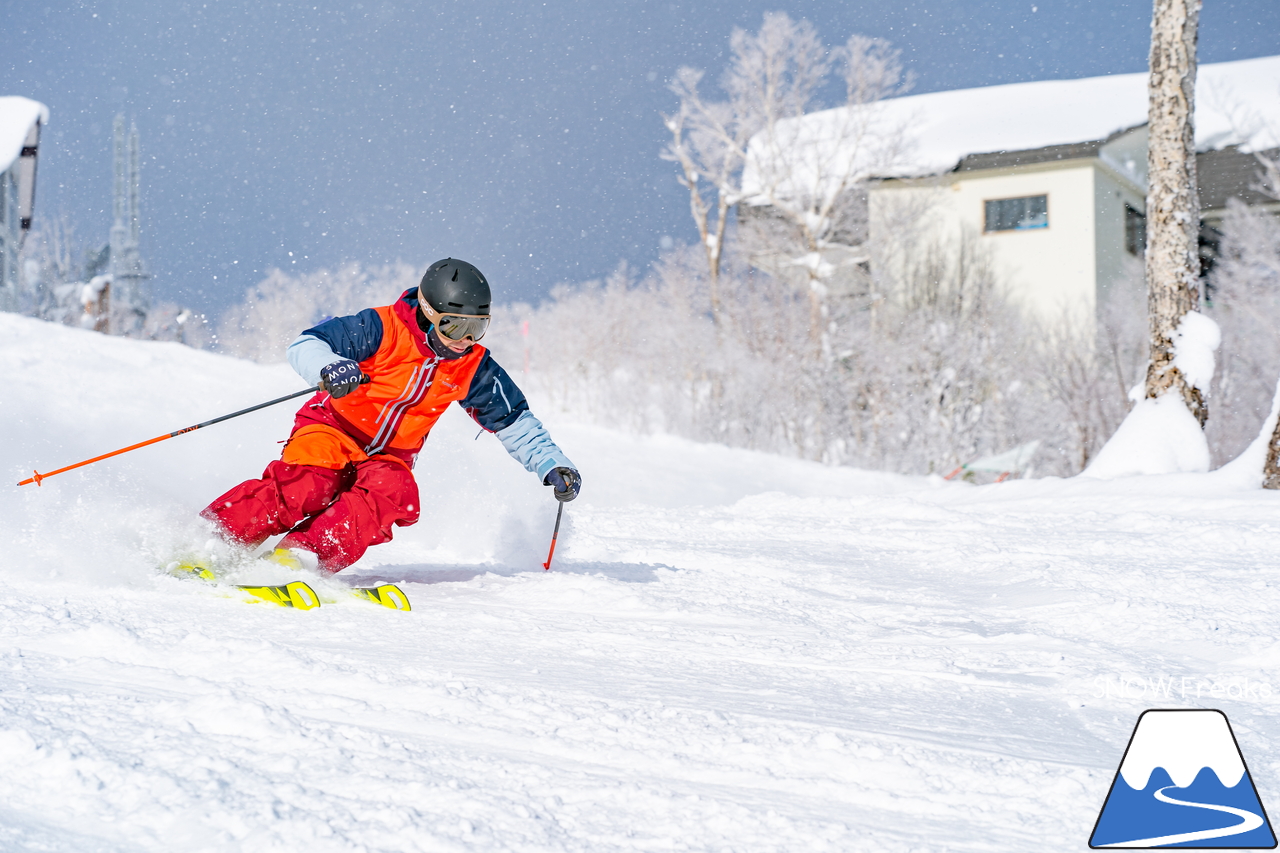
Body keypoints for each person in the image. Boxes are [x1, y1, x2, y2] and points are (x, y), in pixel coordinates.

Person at [197, 258, 580, 574]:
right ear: (430, 314)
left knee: (394, 491)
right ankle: (214, 538)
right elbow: (307, 344)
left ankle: (303, 556)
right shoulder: (381, 328)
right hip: (332, 430)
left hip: (390, 455)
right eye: (455, 325)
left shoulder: (473, 366)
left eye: (478, 328)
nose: (465, 339)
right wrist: (329, 368)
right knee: (310, 484)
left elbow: (514, 421)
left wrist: (552, 464)